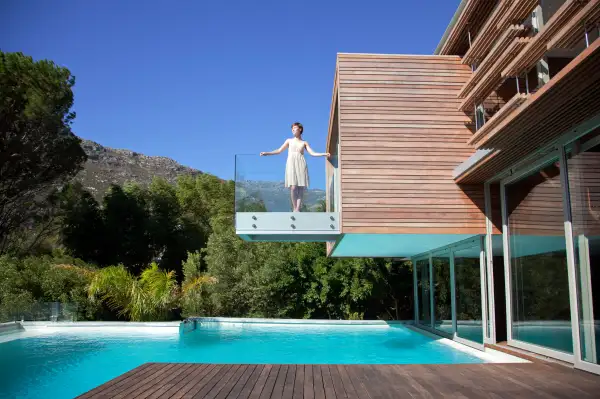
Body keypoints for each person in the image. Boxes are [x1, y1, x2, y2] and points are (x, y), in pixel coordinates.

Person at [260, 122, 330, 212]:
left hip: (301, 163)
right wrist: (267, 153)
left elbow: (312, 153)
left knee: (301, 187)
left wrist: (324, 154)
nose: (293, 130)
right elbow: (279, 150)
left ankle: (297, 208)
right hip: (291, 163)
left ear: (300, 129)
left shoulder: (304, 142)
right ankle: (294, 207)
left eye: (295, 128)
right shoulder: (289, 141)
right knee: (293, 187)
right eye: (292, 128)